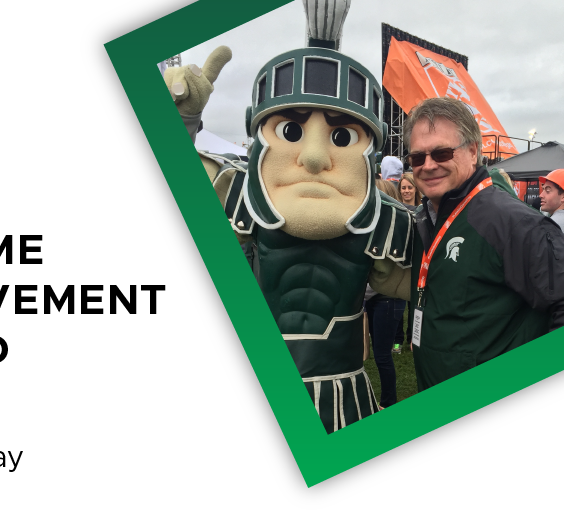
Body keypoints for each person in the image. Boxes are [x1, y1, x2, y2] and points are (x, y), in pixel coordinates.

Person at [167, 0, 413, 433]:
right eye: (291, 131)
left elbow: (449, 284)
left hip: (344, 393)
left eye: (341, 135)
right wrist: (183, 122)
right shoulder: (237, 190)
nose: (315, 156)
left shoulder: (387, 221)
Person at [404, 97, 564, 391]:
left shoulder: (514, 222)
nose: (427, 165)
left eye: (441, 153)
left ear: (473, 151)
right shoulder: (426, 217)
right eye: (417, 157)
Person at [365, 180, 407, 407]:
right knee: (367, 353)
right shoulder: (372, 225)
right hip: (373, 297)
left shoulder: (395, 227)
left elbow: (385, 272)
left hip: (388, 298)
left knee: (382, 355)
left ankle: (388, 404)